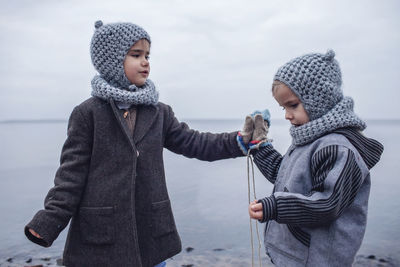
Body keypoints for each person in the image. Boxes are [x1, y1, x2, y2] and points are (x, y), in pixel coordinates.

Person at [24, 20, 245, 267]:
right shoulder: (88, 114)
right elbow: (70, 176)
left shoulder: (159, 112)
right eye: (136, 54)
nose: (145, 62)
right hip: (101, 239)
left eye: (147, 55)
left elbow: (195, 143)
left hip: (150, 234)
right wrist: (49, 220)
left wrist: (240, 141)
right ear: (112, 61)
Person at [245, 50, 384, 266]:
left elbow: (328, 204)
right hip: (296, 255)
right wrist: (259, 146)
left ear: (319, 101)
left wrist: (276, 206)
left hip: (317, 259)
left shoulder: (338, 148)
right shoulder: (309, 140)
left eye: (293, 105)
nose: (287, 115)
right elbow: (287, 175)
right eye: (283, 107)